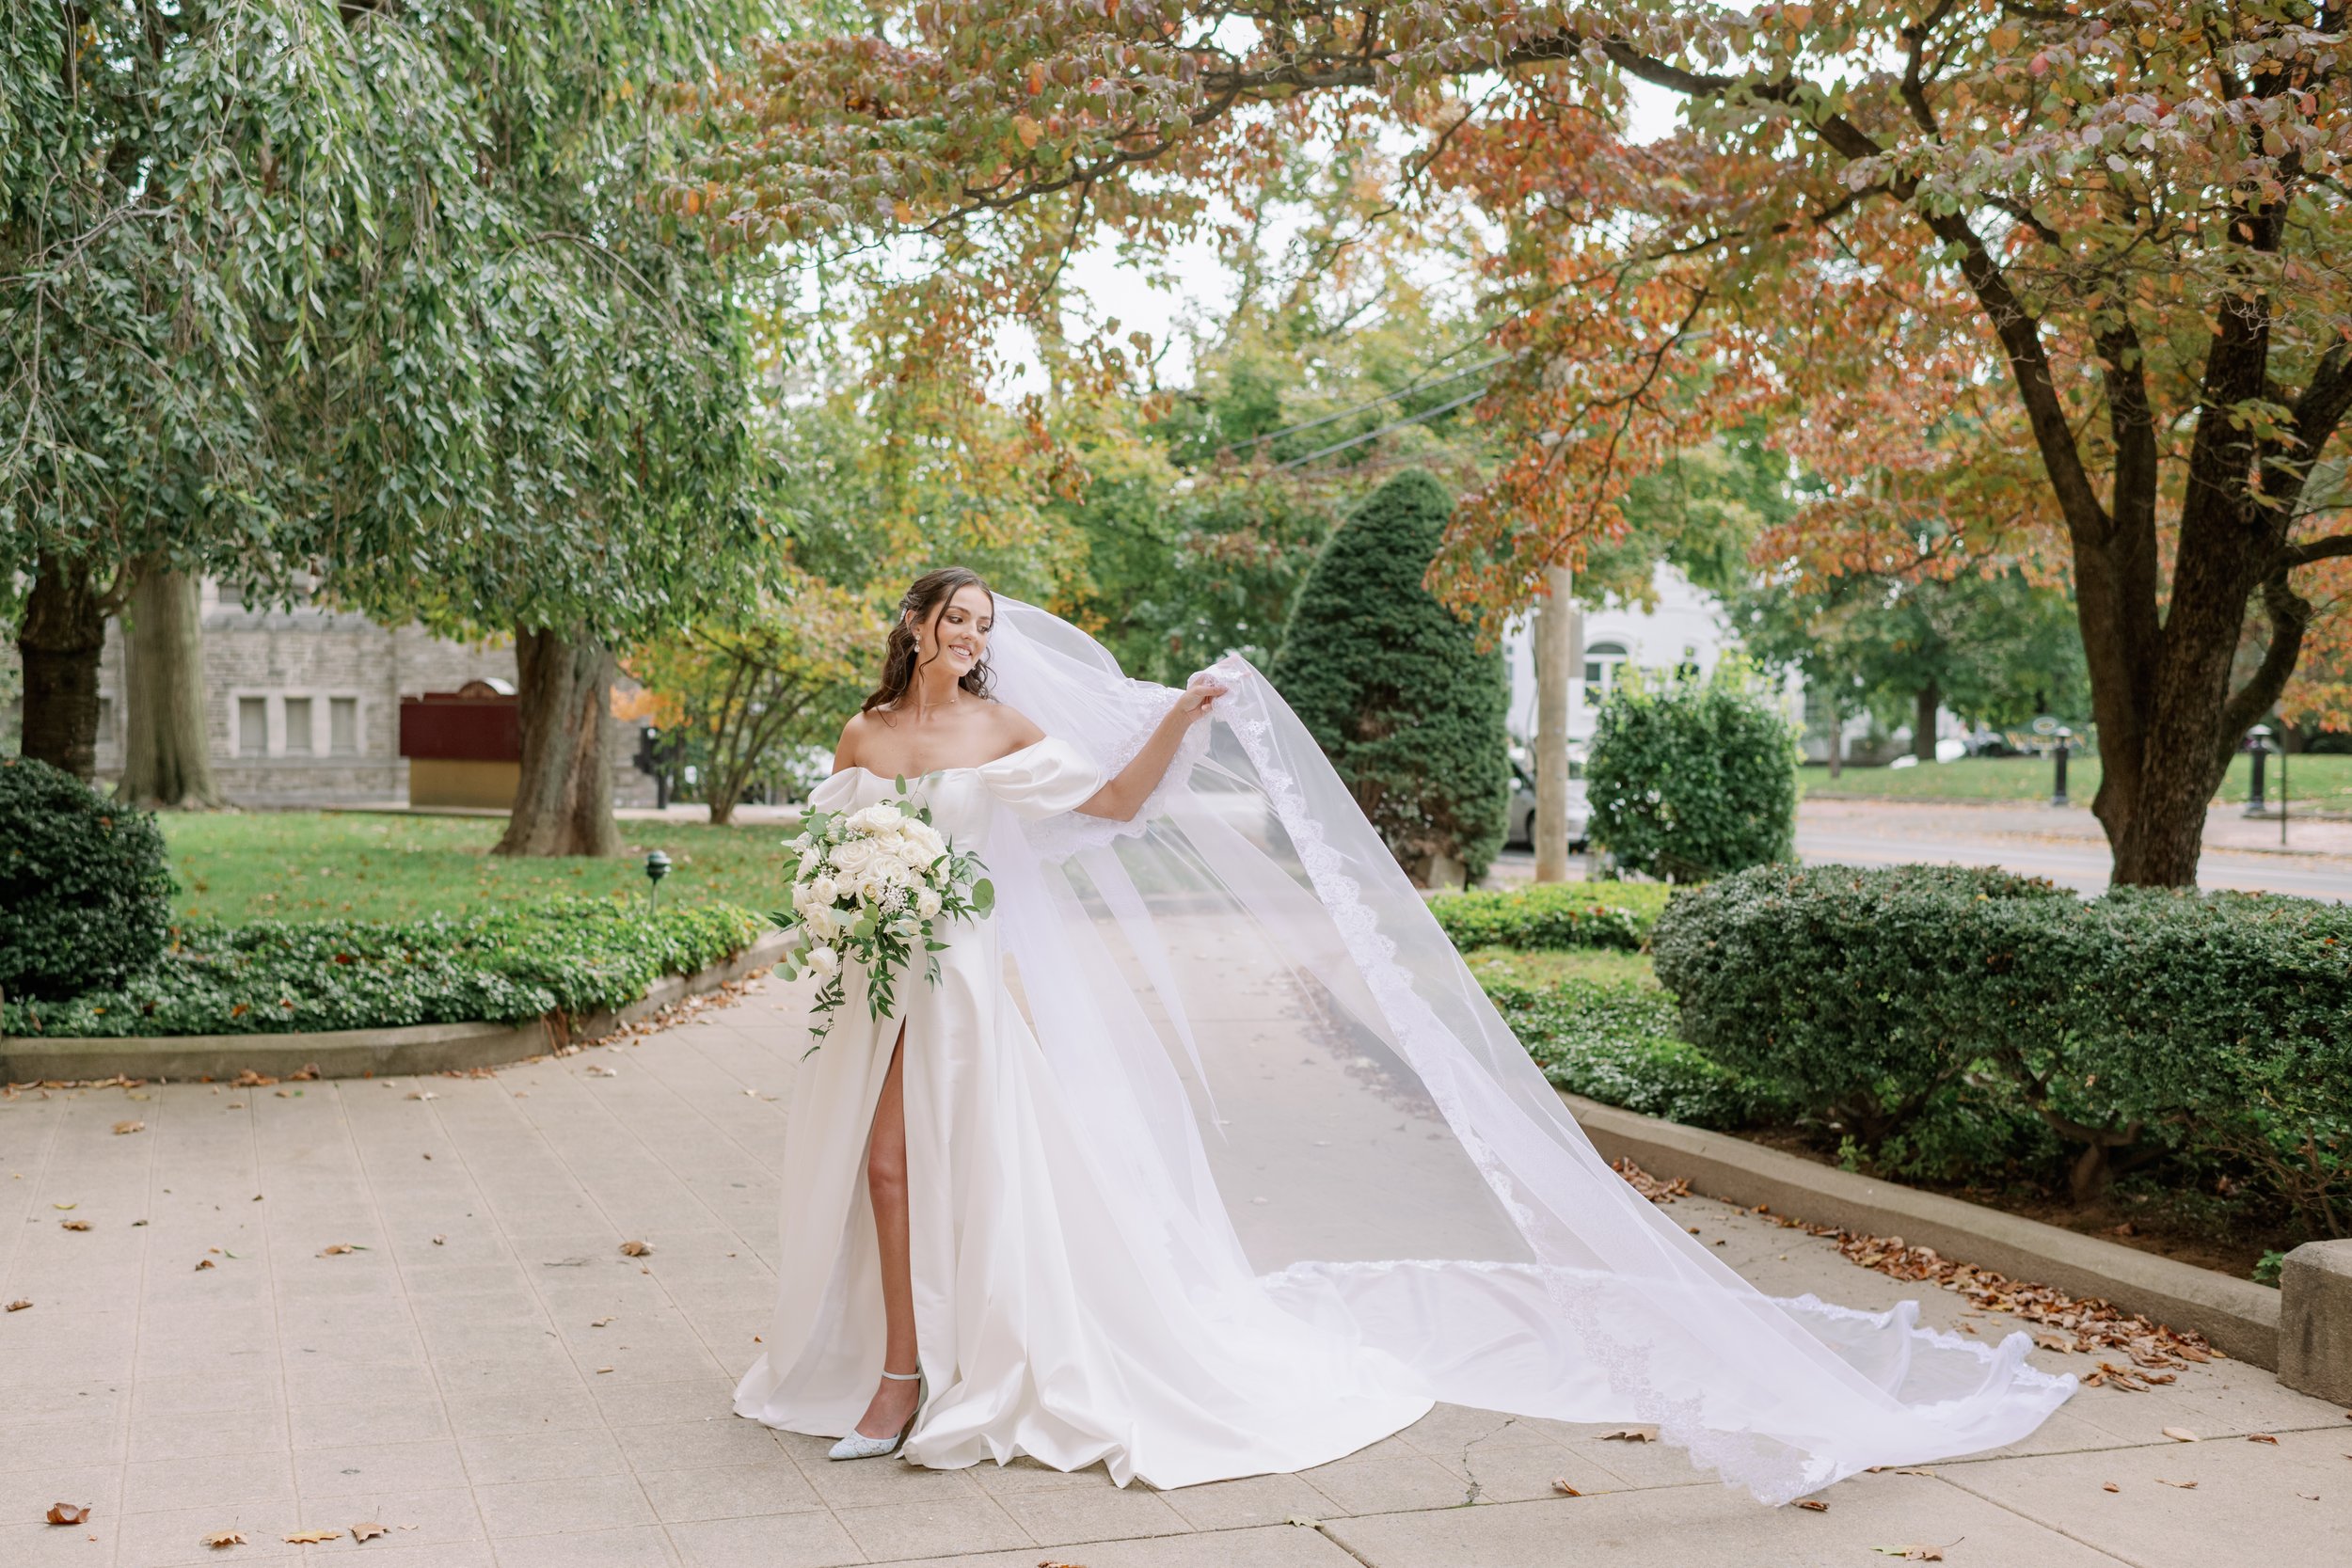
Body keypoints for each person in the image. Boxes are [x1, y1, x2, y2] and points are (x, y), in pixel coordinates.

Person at [734, 566, 2074, 1499]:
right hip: (874, 983)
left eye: (979, 625)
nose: (966, 639)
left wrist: (1187, 717)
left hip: (969, 986)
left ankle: (933, 1377)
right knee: (883, 1172)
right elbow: (838, 843)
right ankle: (893, 1368)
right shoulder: (867, 730)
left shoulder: (1002, 723)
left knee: (965, 1172)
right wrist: (843, 898)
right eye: (950, 622)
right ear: (912, 627)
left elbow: (1103, 812)